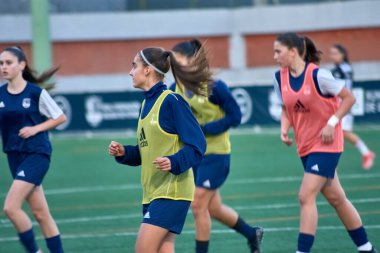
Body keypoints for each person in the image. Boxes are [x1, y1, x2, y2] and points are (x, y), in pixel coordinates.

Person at [272, 32, 377, 253]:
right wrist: (284, 130)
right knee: (337, 198)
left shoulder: (319, 75)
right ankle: (366, 248)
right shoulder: (278, 77)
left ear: (293, 52)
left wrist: (332, 122)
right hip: (305, 146)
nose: (274, 56)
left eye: (278, 51)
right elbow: (285, 108)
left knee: (305, 195)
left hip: (327, 144)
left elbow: (349, 98)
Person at [108, 46, 209, 253]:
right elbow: (147, 152)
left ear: (147, 70)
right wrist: (125, 153)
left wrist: (174, 161)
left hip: (172, 192)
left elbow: (198, 145)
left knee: (143, 250)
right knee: (164, 248)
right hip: (153, 192)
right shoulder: (146, 104)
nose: (130, 71)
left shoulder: (171, 101)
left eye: (134, 65)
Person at [170, 39, 263, 253]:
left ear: (193, 60)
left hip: (216, 155)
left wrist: (206, 129)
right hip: (195, 156)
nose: (174, 66)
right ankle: (252, 234)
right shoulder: (176, 88)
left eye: (178, 60)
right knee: (214, 208)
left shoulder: (213, 86)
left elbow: (236, 116)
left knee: (197, 204)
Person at [0, 46, 66, 253]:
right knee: (40, 213)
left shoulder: (36, 93)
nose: (3, 67)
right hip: (14, 155)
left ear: (22, 65)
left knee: (10, 207)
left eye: (8, 63)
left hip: (37, 154)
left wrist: (35, 128)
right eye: (1, 63)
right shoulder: (0, 94)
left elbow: (60, 117)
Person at [329, 44, 375, 170]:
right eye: (331, 53)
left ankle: (366, 153)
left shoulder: (341, 70)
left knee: (341, 132)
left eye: (335, 53)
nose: (332, 56)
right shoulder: (343, 68)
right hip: (340, 105)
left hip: (343, 105)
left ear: (343, 55)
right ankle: (366, 153)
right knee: (340, 132)